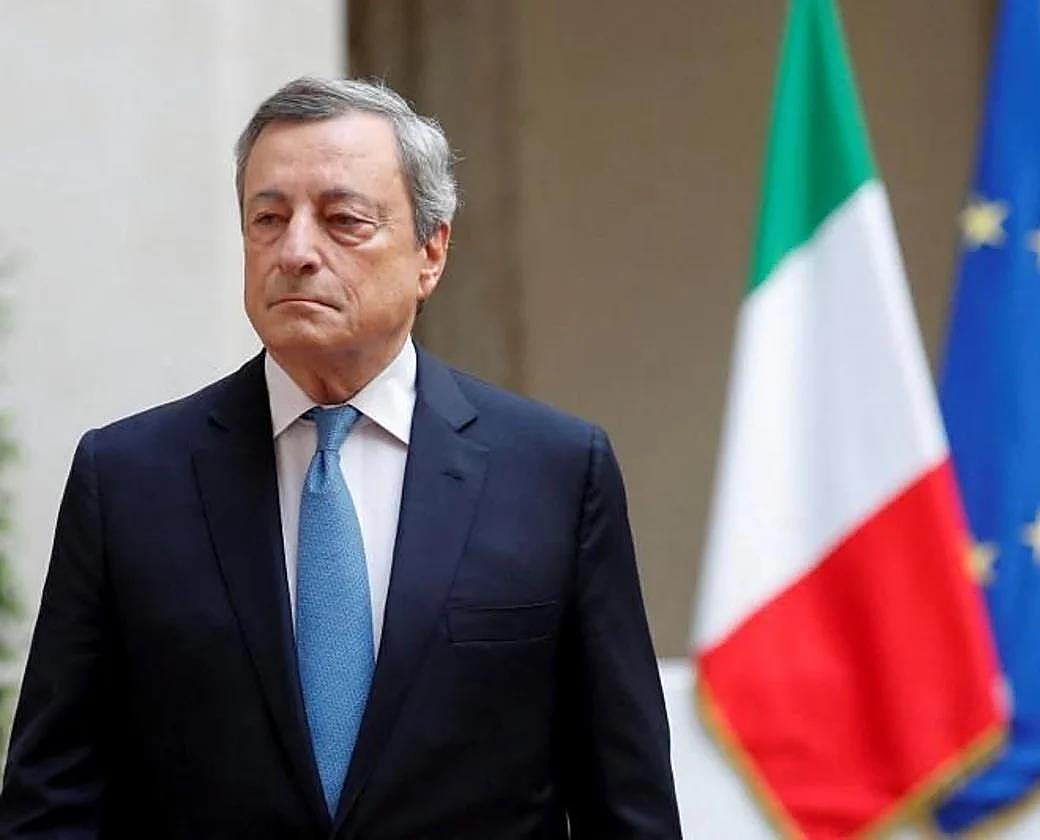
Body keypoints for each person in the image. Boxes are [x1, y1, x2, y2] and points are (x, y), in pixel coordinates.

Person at [0, 77, 681, 838]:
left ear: (431, 251)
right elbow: (51, 800)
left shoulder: (555, 472)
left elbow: (627, 802)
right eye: (268, 219)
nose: (296, 252)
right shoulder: (128, 478)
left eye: (342, 220)